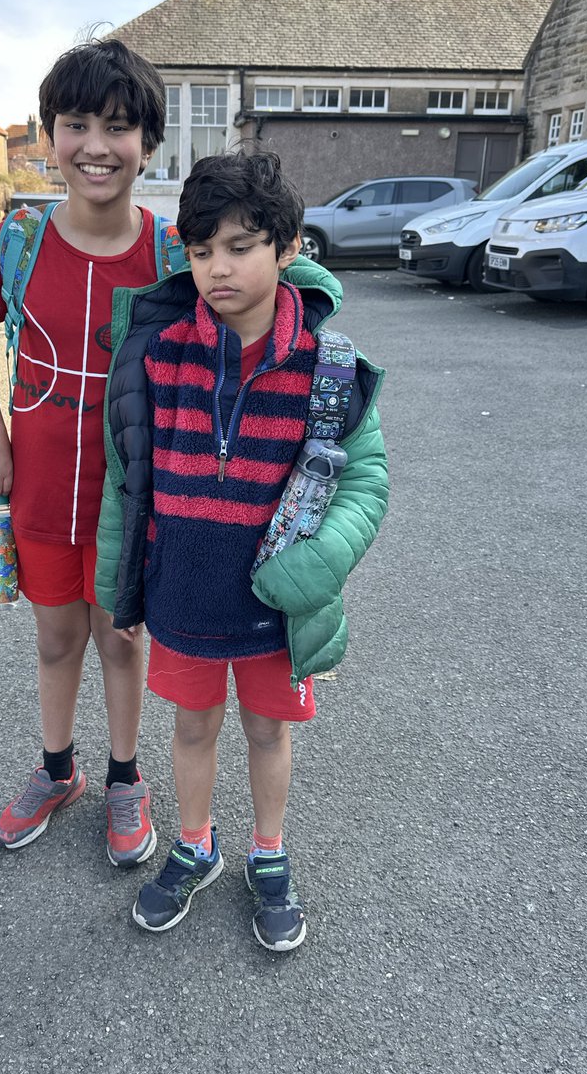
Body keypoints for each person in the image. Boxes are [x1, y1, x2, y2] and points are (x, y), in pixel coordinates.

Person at [95, 150, 388, 950]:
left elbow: (366, 484)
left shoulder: (331, 368)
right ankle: (196, 845)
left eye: (239, 246)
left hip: (273, 605)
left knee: (267, 733)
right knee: (191, 731)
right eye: (199, 251)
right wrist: (120, 592)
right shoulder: (156, 357)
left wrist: (318, 565)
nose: (216, 268)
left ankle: (268, 852)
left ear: (287, 246)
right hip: (183, 595)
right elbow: (129, 484)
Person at [0, 39, 168, 867]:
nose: (95, 146)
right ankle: (57, 771)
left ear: (147, 143)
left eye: (117, 127)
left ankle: (124, 777)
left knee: (119, 639)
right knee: (55, 640)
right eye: (74, 124)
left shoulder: (175, 254)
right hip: (39, 490)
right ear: (48, 137)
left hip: (130, 499)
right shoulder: (17, 241)